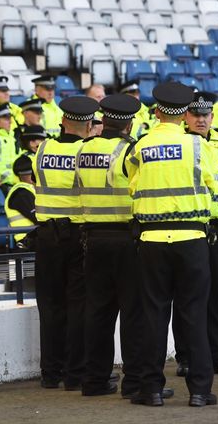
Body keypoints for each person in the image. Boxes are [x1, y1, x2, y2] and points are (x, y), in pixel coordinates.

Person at [126, 82, 217, 408]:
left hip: (151, 241)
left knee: (153, 316)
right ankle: (200, 391)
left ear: (158, 111)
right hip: (192, 239)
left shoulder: (140, 147)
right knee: (194, 315)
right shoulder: (198, 146)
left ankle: (151, 390)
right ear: (184, 113)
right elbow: (214, 184)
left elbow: (131, 187)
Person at [74, 94, 155, 399]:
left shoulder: (84, 149)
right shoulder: (130, 150)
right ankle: (133, 382)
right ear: (129, 123)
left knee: (97, 313)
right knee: (133, 313)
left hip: (93, 239)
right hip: (126, 238)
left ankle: (94, 380)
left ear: (104, 119)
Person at [173, 91, 218, 378]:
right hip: (188, 227)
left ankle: (216, 353)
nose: (201, 119)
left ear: (212, 117)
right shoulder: (176, 142)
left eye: (205, 115)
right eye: (195, 115)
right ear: (185, 117)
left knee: (215, 294)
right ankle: (186, 357)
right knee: (186, 294)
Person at [31, 96, 99, 391]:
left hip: (46, 236)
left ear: (62, 121)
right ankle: (75, 374)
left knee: (49, 306)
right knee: (78, 306)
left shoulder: (42, 149)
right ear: (87, 125)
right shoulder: (86, 152)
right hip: (77, 235)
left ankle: (50, 373)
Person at [4, 154, 37, 246]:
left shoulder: (31, 189)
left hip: (33, 237)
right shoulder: (21, 193)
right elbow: (38, 217)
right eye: (31, 174)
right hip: (26, 240)